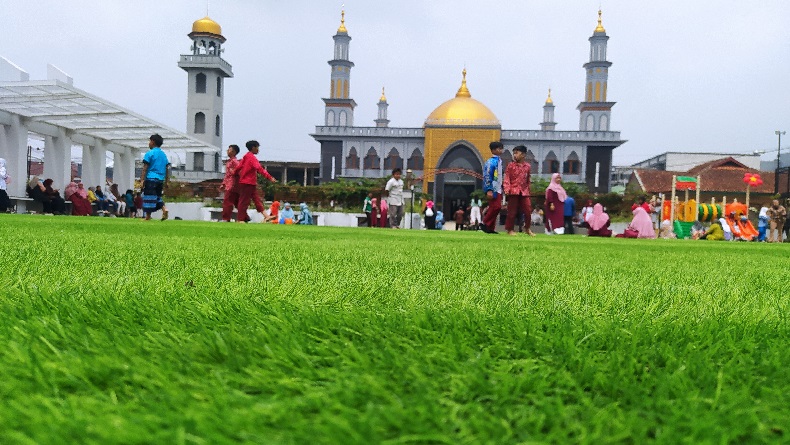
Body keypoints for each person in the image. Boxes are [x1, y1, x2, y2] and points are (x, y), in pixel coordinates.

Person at [235, 140, 276, 223]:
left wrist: (235, 174)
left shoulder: (246, 156)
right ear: (253, 147)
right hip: (247, 182)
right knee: (244, 201)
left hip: (249, 182)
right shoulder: (252, 158)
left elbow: (238, 167)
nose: (258, 150)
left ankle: (266, 216)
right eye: (257, 147)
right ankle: (240, 219)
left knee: (257, 200)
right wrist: (270, 177)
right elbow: (259, 168)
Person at [502, 145, 534, 236]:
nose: (514, 155)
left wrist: (529, 190)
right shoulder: (510, 165)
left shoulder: (527, 166)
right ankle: (510, 229)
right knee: (512, 212)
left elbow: (528, 179)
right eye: (513, 153)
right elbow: (507, 177)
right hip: (513, 190)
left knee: (528, 211)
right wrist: (507, 188)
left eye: (516, 153)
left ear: (523, 155)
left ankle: (527, 228)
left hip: (524, 191)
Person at [139, 134, 171, 221]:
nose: (148, 143)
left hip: (151, 178)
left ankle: (147, 216)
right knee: (157, 196)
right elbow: (167, 168)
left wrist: (142, 180)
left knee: (148, 197)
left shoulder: (149, 153)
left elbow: (145, 168)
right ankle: (164, 209)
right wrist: (167, 181)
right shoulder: (163, 155)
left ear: (153, 141)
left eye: (149, 141)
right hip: (160, 179)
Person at [481, 141, 504, 234]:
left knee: (496, 207)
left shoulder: (499, 161)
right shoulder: (491, 162)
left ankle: (490, 228)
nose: (501, 150)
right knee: (496, 207)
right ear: (493, 150)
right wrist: (489, 189)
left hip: (498, 188)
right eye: (499, 148)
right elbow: (487, 175)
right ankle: (484, 222)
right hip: (493, 188)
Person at [220, 144, 242, 222]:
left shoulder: (234, 161)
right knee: (237, 203)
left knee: (227, 202)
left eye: (229, 150)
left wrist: (234, 173)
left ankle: (226, 218)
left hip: (231, 185)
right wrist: (223, 183)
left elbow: (239, 171)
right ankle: (245, 217)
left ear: (233, 152)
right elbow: (227, 175)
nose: (227, 151)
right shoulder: (229, 162)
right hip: (231, 185)